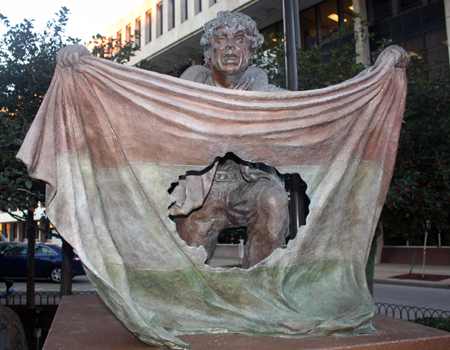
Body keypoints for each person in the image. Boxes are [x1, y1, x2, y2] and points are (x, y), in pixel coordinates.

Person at [170, 11, 289, 269]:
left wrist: (374, 79)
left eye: (239, 39)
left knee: (274, 201)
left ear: (251, 49)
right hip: (200, 193)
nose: (231, 46)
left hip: (250, 186)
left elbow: (315, 109)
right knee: (186, 272)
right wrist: (80, 69)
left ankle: (258, 291)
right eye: (222, 39)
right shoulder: (183, 94)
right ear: (209, 51)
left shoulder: (269, 96)